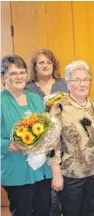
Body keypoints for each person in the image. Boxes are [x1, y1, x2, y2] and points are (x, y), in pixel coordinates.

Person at [48, 60, 94, 216]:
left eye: (85, 79)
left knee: (93, 212)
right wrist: (56, 174)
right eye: (76, 80)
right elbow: (52, 143)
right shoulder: (59, 107)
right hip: (71, 175)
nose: (82, 84)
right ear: (67, 83)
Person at [1, 54, 52, 216]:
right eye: (13, 73)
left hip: (42, 170)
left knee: (43, 210)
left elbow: (46, 128)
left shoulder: (36, 98)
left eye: (22, 72)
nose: (19, 77)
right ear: (3, 77)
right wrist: (13, 145)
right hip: (17, 171)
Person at [25, 49, 67, 216]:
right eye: (41, 62)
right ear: (34, 67)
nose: (45, 65)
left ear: (54, 65)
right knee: (47, 193)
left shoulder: (63, 84)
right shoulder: (28, 88)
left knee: (65, 189)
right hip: (40, 146)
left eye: (48, 62)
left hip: (64, 143)